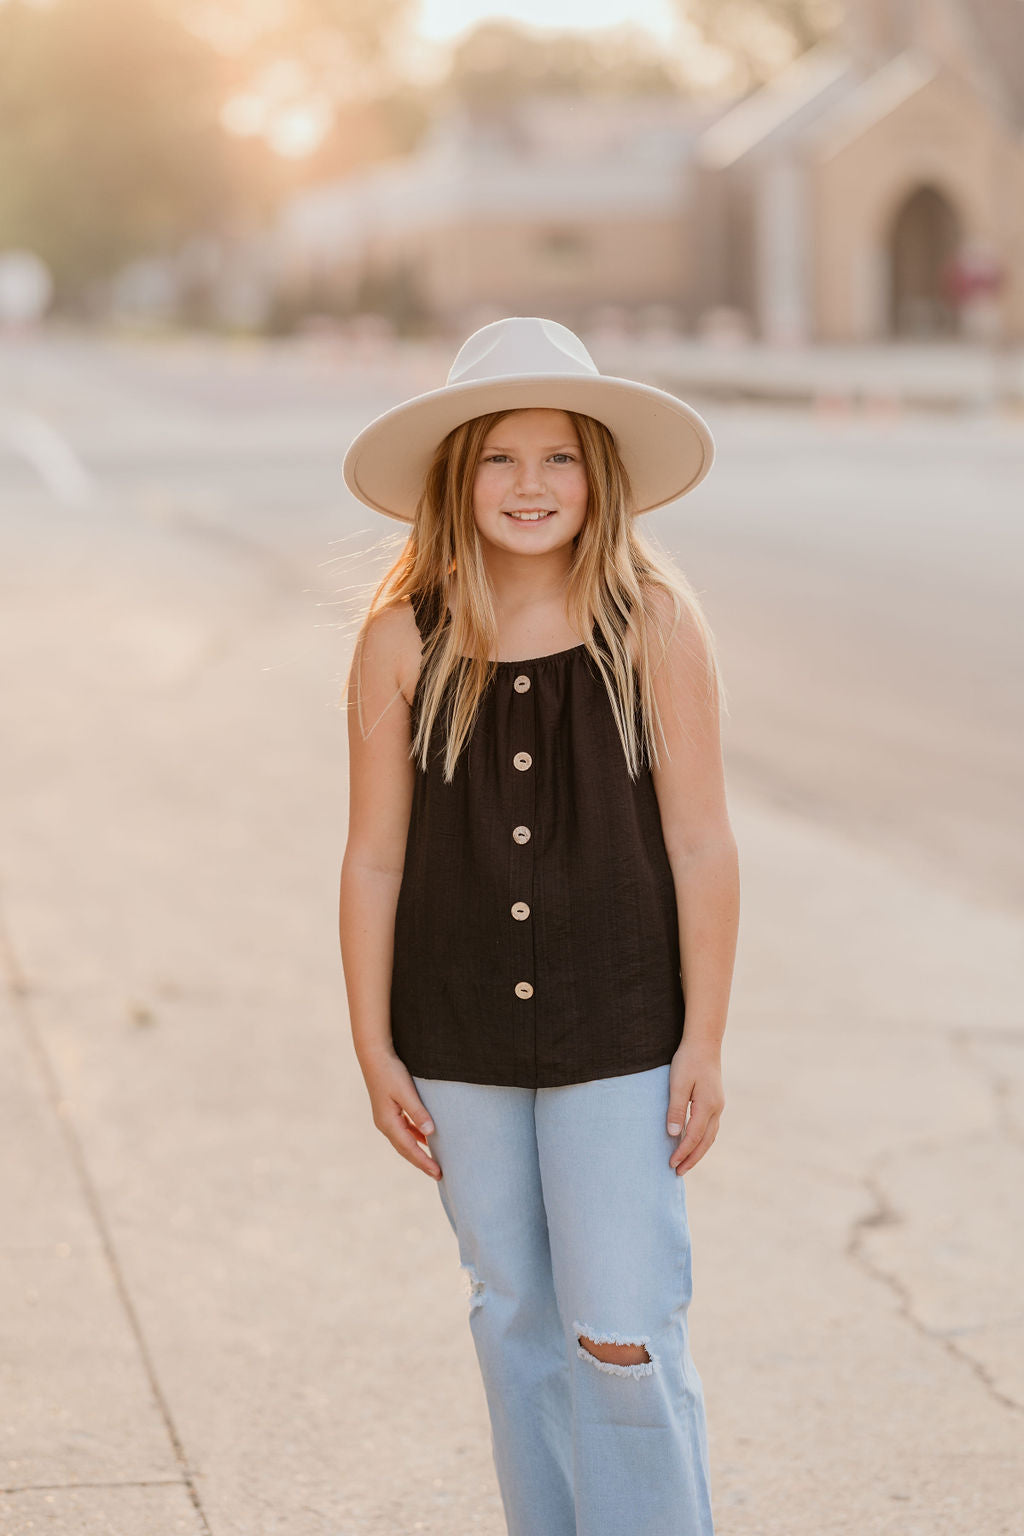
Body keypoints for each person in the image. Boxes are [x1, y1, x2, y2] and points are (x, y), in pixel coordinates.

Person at [338, 316, 739, 1536]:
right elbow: (375, 856)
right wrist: (373, 1046)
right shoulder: (400, 640)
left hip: (620, 1030)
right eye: (499, 458)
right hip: (455, 1035)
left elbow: (700, 844)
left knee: (618, 1326)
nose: (530, 483)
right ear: (456, 480)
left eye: (558, 455)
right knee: (513, 1314)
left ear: (597, 474)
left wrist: (704, 1042)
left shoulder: (652, 626)